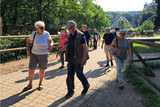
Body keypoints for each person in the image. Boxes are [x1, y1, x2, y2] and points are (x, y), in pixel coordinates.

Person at [57, 20, 90, 99]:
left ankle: (86, 85)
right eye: (67, 28)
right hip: (71, 59)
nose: (68, 30)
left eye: (69, 28)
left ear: (74, 27)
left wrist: (84, 58)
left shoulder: (80, 35)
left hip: (79, 59)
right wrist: (61, 49)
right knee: (69, 76)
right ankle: (70, 91)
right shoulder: (70, 35)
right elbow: (68, 45)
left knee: (79, 74)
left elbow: (85, 47)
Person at [23, 21, 53, 91]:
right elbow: (28, 42)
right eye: (41, 28)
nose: (43, 28)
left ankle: (40, 84)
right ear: (37, 28)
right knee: (31, 69)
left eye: (44, 27)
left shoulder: (47, 33)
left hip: (44, 54)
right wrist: (27, 50)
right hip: (34, 54)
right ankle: (30, 84)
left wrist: (50, 46)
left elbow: (51, 41)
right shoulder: (34, 34)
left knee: (41, 70)